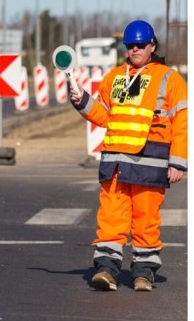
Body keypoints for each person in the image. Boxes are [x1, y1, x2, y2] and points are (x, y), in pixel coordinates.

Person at [70, 20, 187, 292]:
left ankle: (143, 274)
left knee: (146, 219)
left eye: (140, 45)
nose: (134, 49)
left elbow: (183, 122)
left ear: (152, 46)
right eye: (130, 45)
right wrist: (81, 100)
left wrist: (178, 162)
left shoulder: (169, 78)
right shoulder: (114, 77)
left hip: (151, 162)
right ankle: (106, 271)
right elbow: (103, 115)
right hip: (115, 163)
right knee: (110, 217)